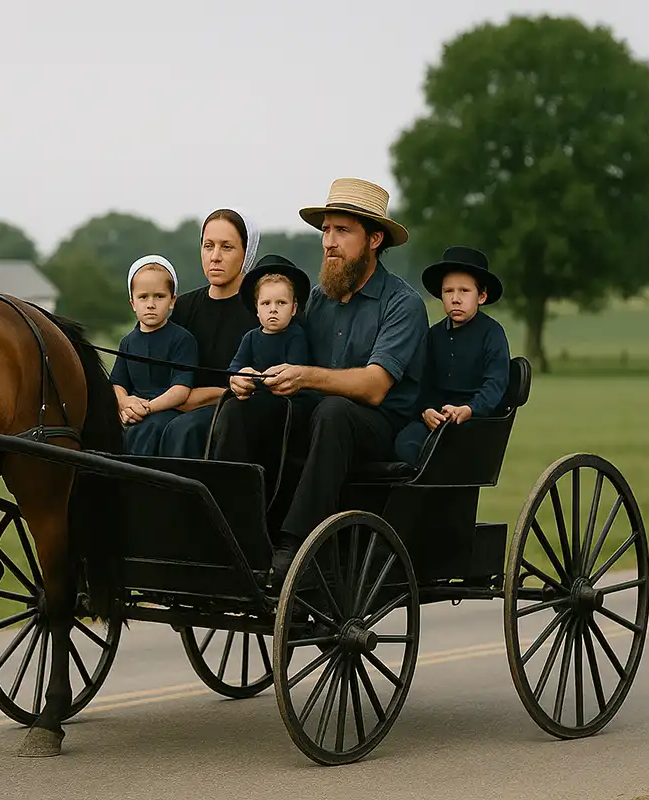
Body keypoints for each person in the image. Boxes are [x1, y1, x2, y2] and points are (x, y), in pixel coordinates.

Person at [208, 177, 429, 586]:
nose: (328, 241)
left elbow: (375, 387)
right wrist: (246, 379)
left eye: (342, 231)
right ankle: (234, 533)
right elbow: (287, 359)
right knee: (244, 407)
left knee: (333, 410)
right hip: (318, 415)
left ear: (374, 238)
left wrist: (307, 376)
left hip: (380, 425)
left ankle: (295, 546)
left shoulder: (403, 304)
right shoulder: (319, 299)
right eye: (326, 230)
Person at [156, 208, 261, 458]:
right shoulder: (183, 307)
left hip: (232, 415)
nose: (215, 256)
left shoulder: (260, 310)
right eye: (208, 246)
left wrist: (207, 396)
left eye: (227, 247)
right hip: (178, 405)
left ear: (245, 253)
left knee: (186, 429)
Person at [394, 246, 511, 465]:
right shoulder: (433, 335)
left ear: (482, 296)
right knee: (405, 442)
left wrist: (470, 409)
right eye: (449, 291)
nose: (455, 299)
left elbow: (496, 383)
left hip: (474, 422)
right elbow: (423, 383)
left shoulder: (492, 334)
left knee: (446, 451)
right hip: (437, 420)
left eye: (464, 291)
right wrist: (426, 411)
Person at [110, 255, 200, 456]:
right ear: (133, 302)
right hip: (134, 411)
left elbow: (181, 389)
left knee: (149, 429)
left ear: (172, 301)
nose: (151, 304)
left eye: (159, 296)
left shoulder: (182, 339)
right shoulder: (128, 342)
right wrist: (125, 403)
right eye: (143, 297)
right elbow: (117, 383)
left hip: (166, 411)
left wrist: (148, 408)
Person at [228, 253, 312, 379]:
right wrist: (239, 376)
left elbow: (296, 370)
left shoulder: (296, 335)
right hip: (254, 392)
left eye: (281, 303)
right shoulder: (250, 337)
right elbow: (234, 367)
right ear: (257, 308)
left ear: (294, 308)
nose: (273, 310)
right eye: (266, 303)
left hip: (287, 394)